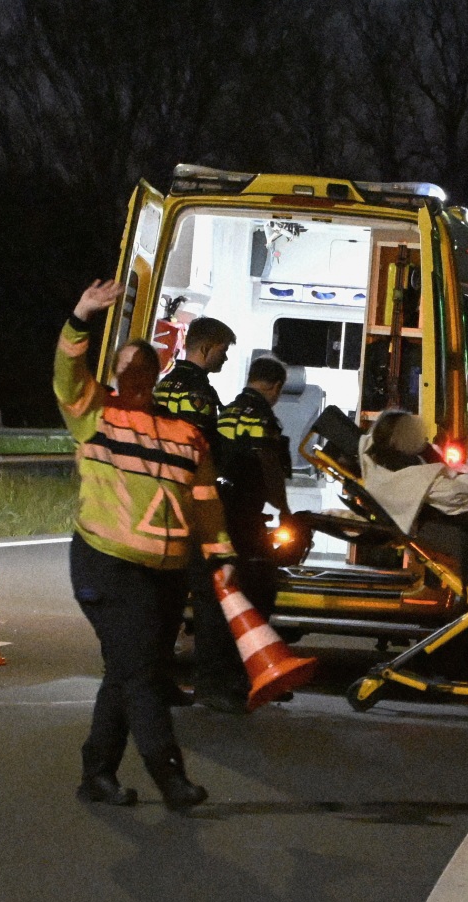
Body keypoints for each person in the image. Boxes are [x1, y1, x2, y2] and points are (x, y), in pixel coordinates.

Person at [54, 279, 236, 815]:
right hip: (105, 564)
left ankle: (97, 774)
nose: (134, 374)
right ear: (111, 374)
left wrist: (220, 556)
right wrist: (81, 315)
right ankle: (170, 777)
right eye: (125, 367)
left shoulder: (184, 434)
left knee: (128, 670)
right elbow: (67, 371)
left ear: (155, 376)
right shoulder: (94, 412)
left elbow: (204, 501)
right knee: (141, 673)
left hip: (165, 572)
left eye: (143, 367)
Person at [154, 317, 252, 712]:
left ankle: (157, 682)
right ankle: (212, 686)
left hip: (159, 506)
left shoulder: (162, 386)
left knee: (165, 601)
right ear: (207, 347)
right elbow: (204, 452)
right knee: (211, 600)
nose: (225, 360)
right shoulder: (198, 394)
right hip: (191, 508)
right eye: (224, 352)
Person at [215, 355, 294, 620]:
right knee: (259, 576)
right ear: (276, 387)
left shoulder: (225, 411)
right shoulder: (263, 418)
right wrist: (284, 509)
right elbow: (269, 467)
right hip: (246, 510)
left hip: (219, 505)